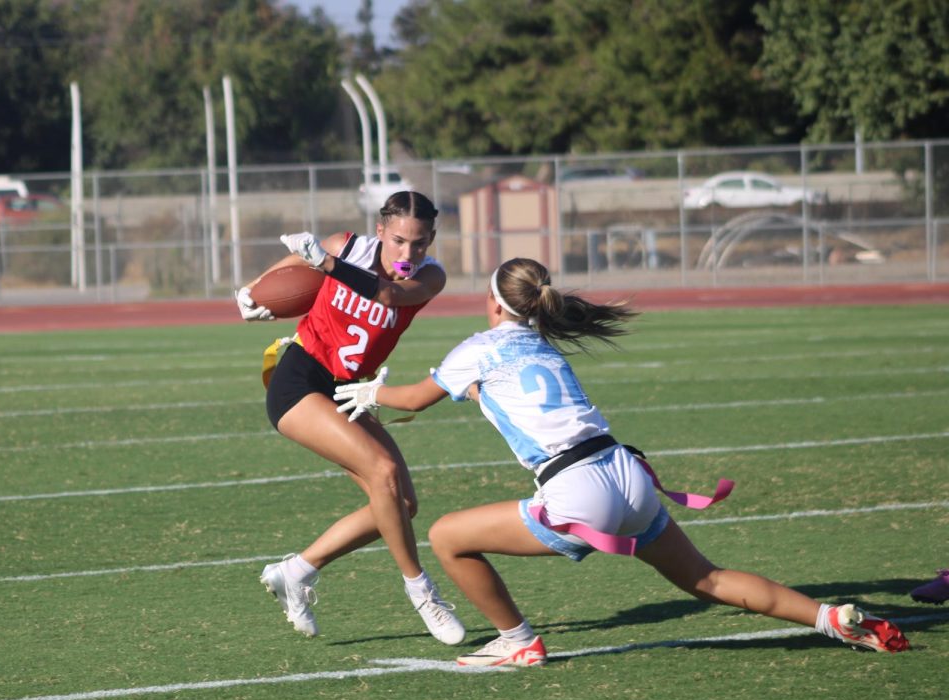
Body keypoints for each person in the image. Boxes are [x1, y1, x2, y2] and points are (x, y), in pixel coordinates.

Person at [332, 257, 910, 666]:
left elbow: (411, 398)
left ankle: (517, 640)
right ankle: (830, 619)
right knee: (706, 578)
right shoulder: (542, 346)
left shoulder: (478, 349)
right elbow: (501, 397)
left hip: (578, 488)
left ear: (491, 301)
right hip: (626, 475)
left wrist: (368, 391)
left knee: (446, 536)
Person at [233, 191, 465, 644]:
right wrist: (251, 296)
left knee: (401, 505)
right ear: (380, 231)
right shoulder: (345, 245)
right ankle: (423, 593)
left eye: (419, 243)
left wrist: (327, 265)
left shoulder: (431, 276)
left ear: (431, 239)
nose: (408, 253)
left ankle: (296, 572)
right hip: (299, 379)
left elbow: (390, 293)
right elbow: (277, 280)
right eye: (398, 240)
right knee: (383, 471)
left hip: (350, 390)